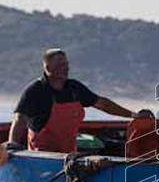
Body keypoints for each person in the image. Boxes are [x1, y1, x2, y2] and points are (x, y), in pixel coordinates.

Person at [9, 48, 150, 153]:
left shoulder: (74, 88)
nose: (65, 68)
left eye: (66, 64)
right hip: (43, 157)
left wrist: (133, 115)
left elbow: (102, 104)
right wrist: (12, 144)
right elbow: (19, 118)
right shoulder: (35, 91)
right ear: (47, 67)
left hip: (69, 155)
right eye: (60, 65)